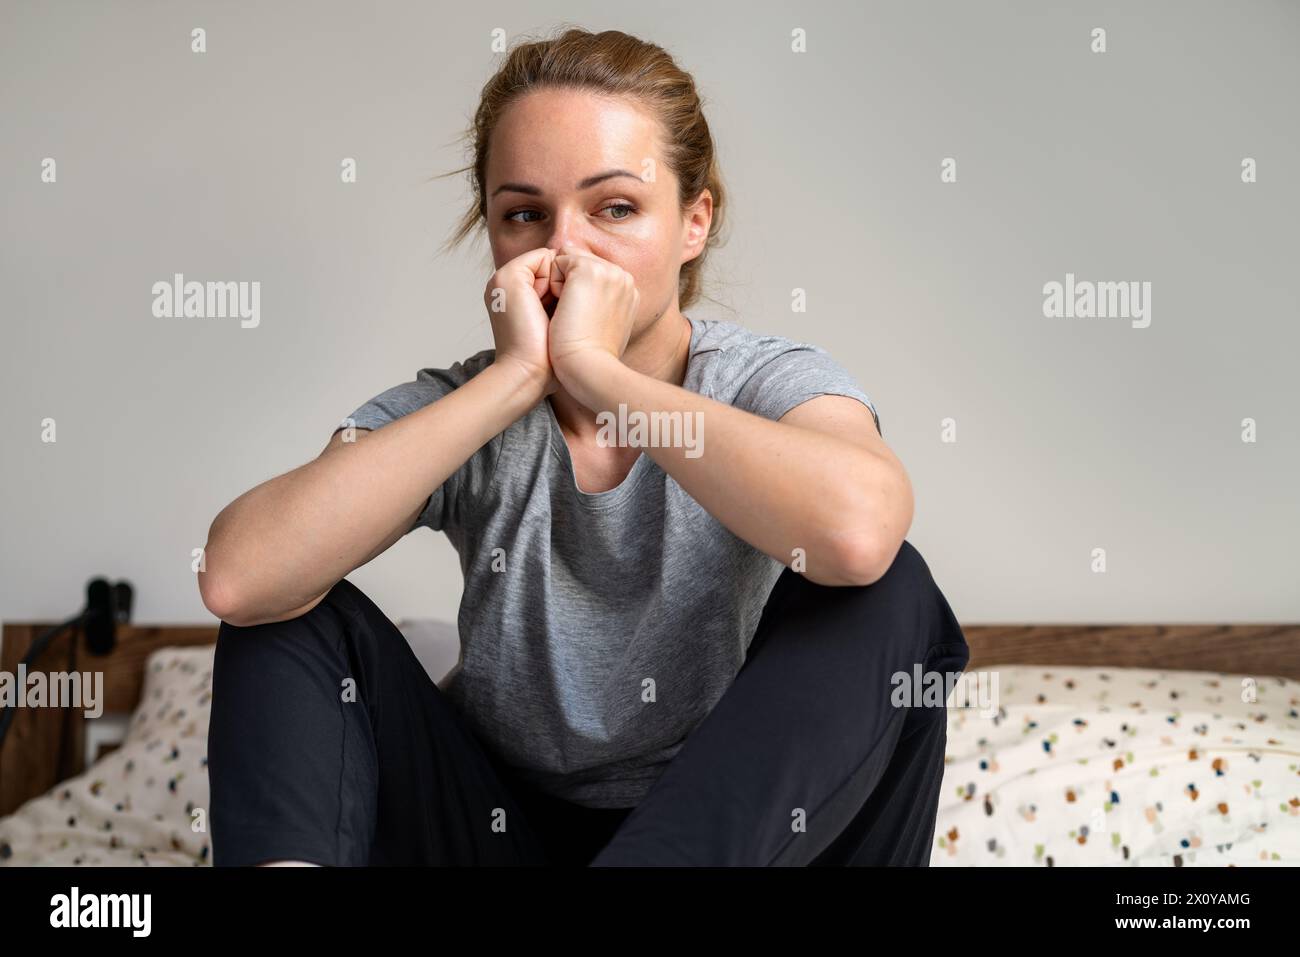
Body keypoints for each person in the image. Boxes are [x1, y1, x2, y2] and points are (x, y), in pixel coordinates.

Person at [199, 26, 968, 867]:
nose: (564, 249)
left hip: (736, 835)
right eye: (524, 214)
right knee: (288, 605)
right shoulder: (464, 407)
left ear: (694, 221)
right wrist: (517, 378)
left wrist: (600, 375)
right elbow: (238, 576)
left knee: (893, 588)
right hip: (503, 834)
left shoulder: (766, 382)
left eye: (615, 208)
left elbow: (859, 530)